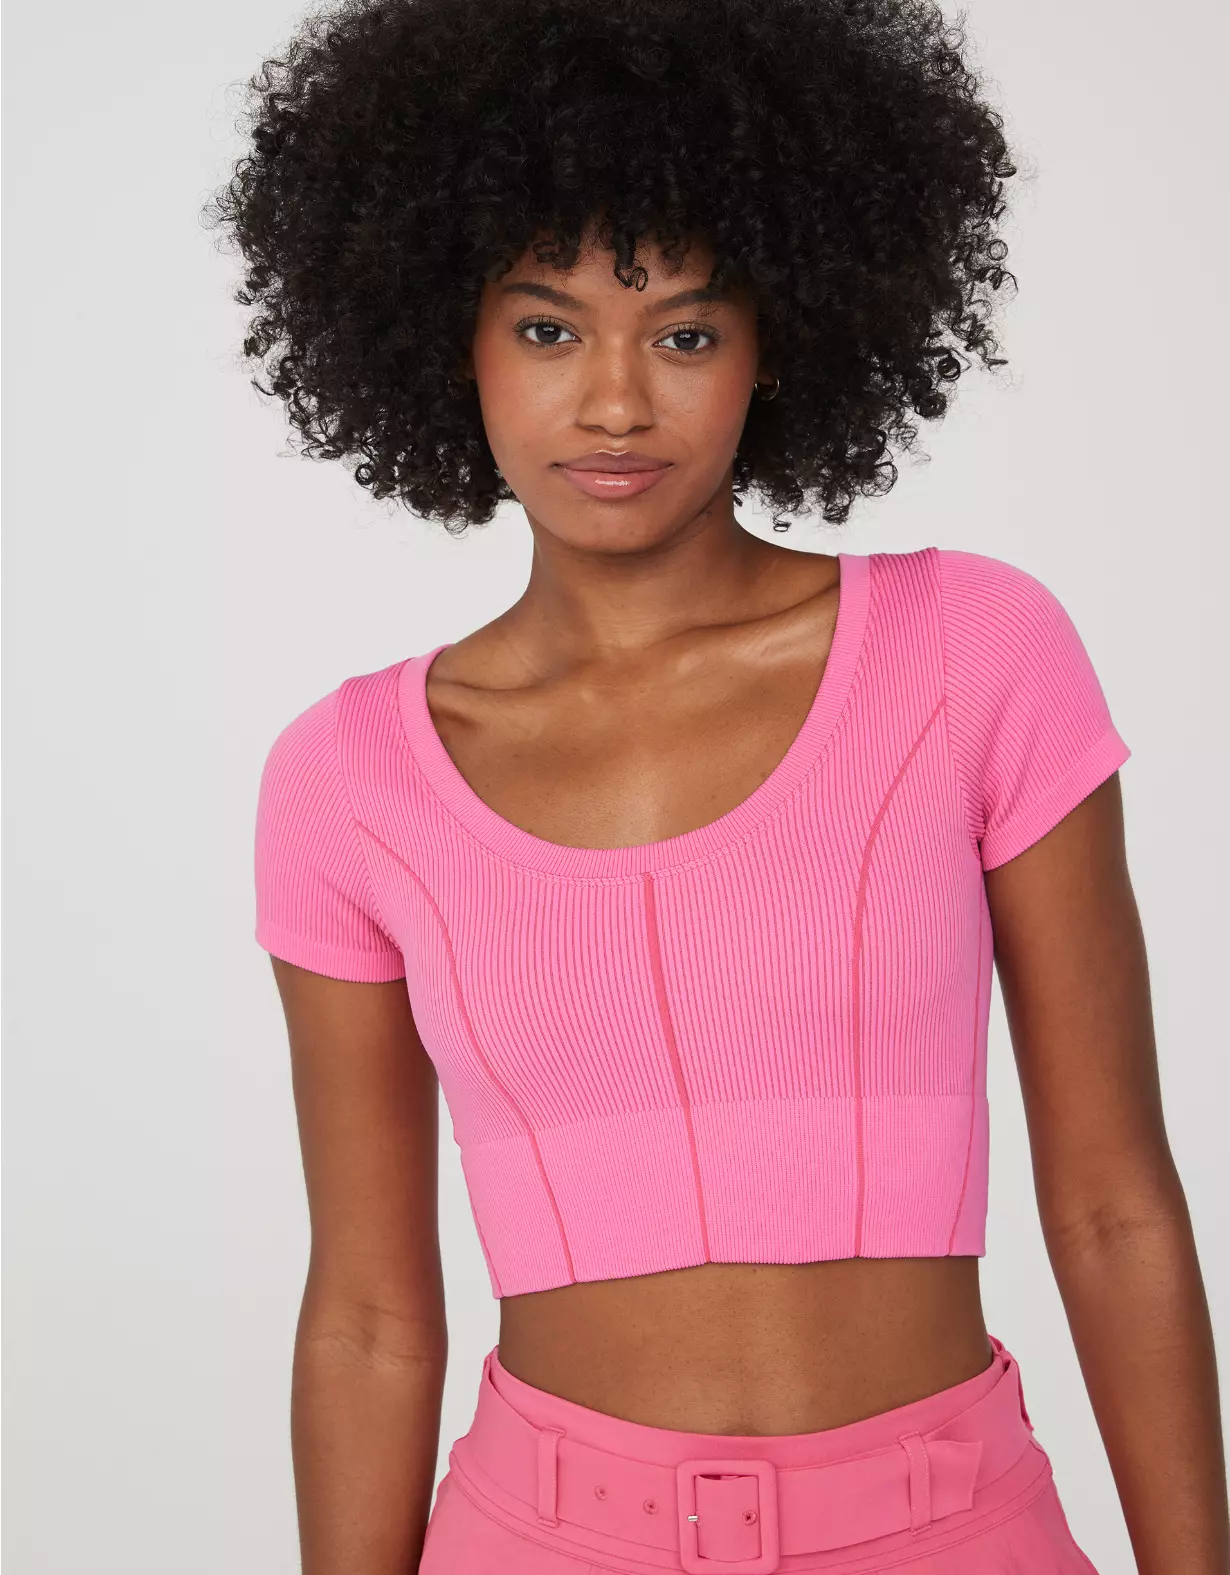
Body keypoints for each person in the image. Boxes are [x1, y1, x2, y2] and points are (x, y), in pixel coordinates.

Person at [207, 0, 1228, 1569]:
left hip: (948, 1528)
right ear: (443, 340)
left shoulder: (969, 652)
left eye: (684, 333)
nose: (615, 401)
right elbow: (366, 1314)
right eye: (545, 329)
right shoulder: (347, 779)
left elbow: (1111, 1206)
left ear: (777, 344)